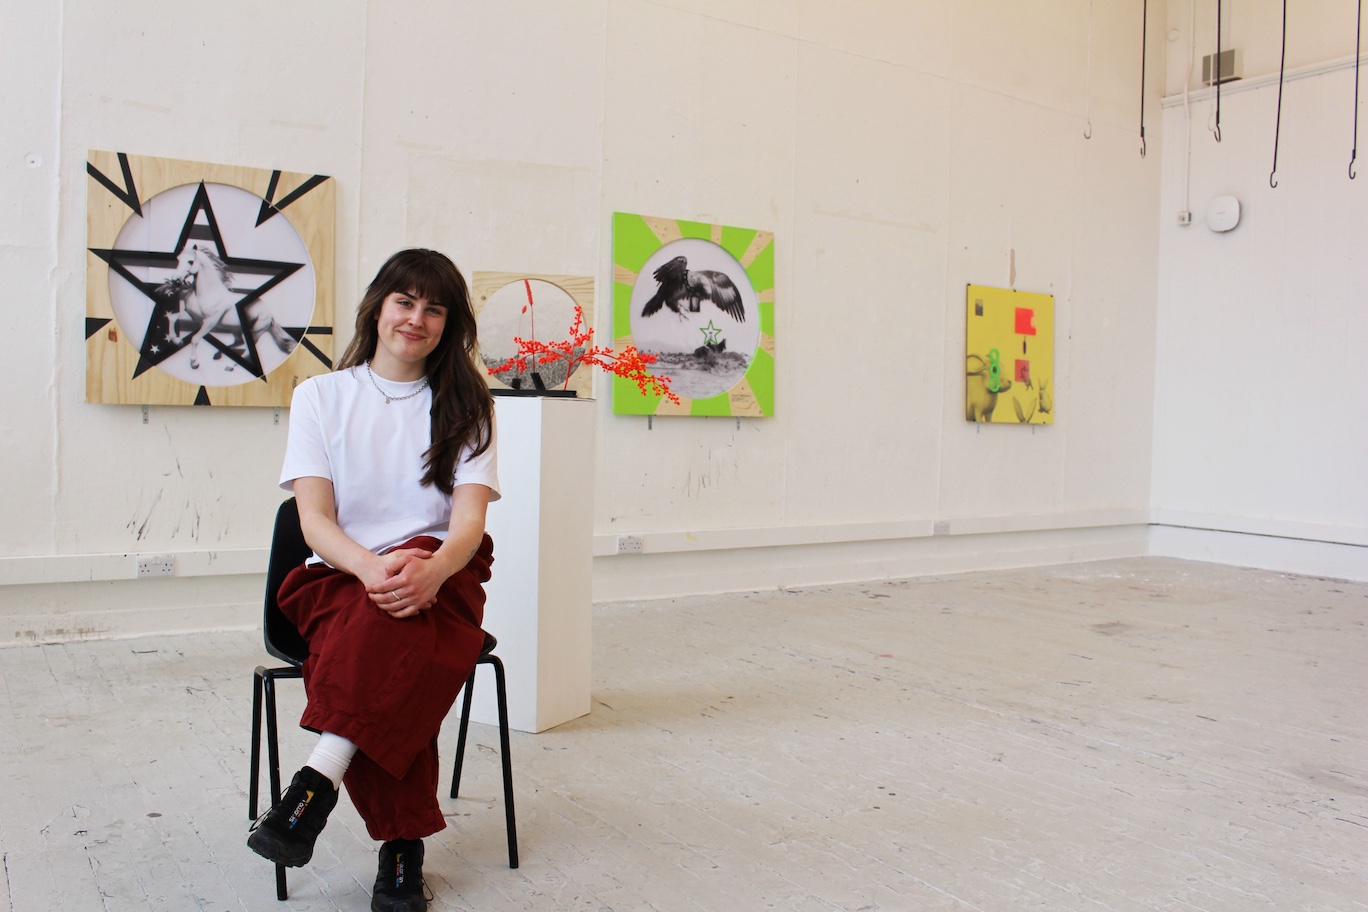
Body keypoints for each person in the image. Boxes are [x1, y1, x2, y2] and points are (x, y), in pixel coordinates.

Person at [248, 249, 499, 912]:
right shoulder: (321, 396)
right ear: (378, 307)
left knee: (397, 614)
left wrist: (435, 570)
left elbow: (467, 523)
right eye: (405, 302)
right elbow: (314, 518)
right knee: (386, 622)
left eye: (434, 308)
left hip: (443, 575)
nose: (416, 319)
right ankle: (402, 851)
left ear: (448, 324)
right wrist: (369, 567)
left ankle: (315, 783)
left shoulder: (466, 403)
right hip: (338, 573)